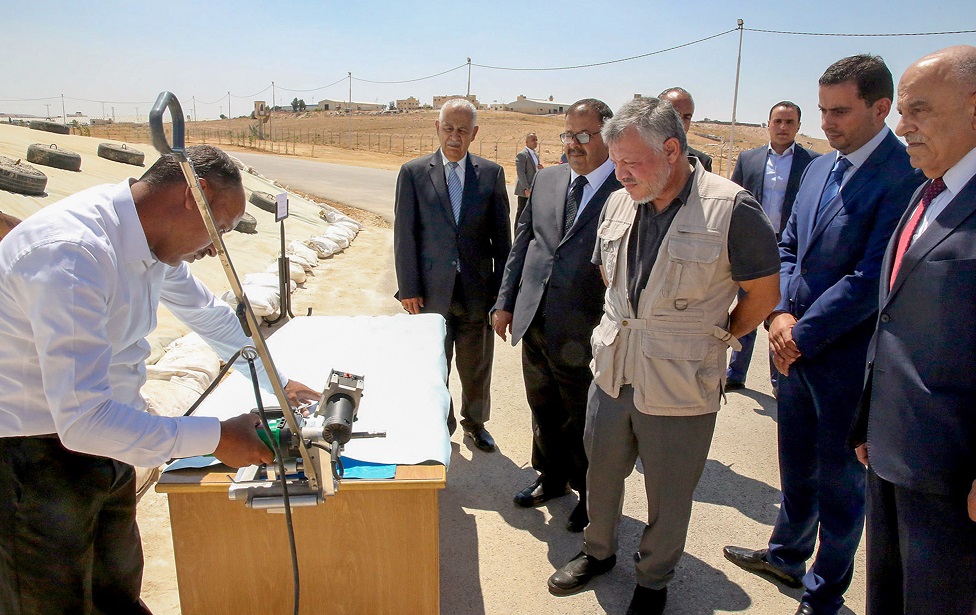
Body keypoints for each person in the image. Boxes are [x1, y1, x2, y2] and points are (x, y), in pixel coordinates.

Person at [0, 144, 320, 613]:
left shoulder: (148, 241)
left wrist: (276, 381)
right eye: (220, 228)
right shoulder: (73, 253)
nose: (216, 248)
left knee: (117, 595)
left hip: (109, 443)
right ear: (194, 195)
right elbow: (83, 420)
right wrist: (217, 437)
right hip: (34, 464)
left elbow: (209, 315)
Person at [547, 97, 780, 615]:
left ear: (672, 150)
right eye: (616, 161)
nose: (621, 173)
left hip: (681, 379)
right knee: (600, 473)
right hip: (614, 370)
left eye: (632, 162)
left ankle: (653, 580)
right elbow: (610, 277)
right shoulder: (617, 201)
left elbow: (764, 295)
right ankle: (597, 551)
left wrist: (716, 336)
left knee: (669, 493)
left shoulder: (731, 208)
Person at [723, 55, 924, 615]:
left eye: (840, 111)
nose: (827, 122)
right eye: (823, 110)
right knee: (796, 468)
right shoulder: (817, 169)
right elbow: (788, 245)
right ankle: (786, 554)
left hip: (846, 362)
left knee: (842, 489)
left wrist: (800, 333)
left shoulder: (905, 175)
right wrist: (778, 315)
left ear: (880, 109)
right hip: (793, 350)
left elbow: (871, 278)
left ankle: (824, 594)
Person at [849, 45, 976, 615]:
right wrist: (868, 420)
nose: (902, 128)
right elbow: (894, 321)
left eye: (919, 110)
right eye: (902, 112)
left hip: (954, 475)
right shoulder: (927, 191)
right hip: (891, 451)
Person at [493, 99, 622, 532]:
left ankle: (590, 494)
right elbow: (523, 241)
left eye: (584, 135)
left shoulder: (624, 189)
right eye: (568, 134)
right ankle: (550, 477)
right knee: (543, 406)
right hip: (536, 320)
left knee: (585, 418)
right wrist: (505, 302)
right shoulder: (548, 179)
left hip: (587, 329)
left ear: (607, 136)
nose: (573, 144)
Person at [393, 98, 512, 452]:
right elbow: (405, 235)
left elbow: (502, 241)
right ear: (437, 128)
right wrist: (408, 287)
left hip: (478, 292)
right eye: (448, 129)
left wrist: (502, 295)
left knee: (477, 366)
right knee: (435, 365)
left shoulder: (491, 174)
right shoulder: (413, 173)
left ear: (474, 133)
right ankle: (439, 424)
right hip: (430, 293)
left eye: (462, 130)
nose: (454, 137)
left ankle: (475, 424)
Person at [725, 101, 820, 391]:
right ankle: (735, 373)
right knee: (748, 309)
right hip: (752, 247)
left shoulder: (812, 163)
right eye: (778, 121)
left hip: (790, 249)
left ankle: (779, 379)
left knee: (779, 311)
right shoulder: (749, 159)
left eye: (789, 122)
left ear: (798, 126)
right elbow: (732, 198)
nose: (783, 127)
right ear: (768, 124)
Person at [659, 87, 713, 171]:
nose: (680, 123)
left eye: (686, 117)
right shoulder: (638, 155)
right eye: (675, 115)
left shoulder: (700, 163)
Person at [514, 132, 543, 225]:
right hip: (525, 190)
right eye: (533, 140)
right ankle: (517, 232)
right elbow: (521, 173)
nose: (535, 142)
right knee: (521, 212)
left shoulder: (535, 155)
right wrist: (526, 188)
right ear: (526, 142)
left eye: (536, 140)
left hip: (534, 188)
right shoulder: (522, 155)